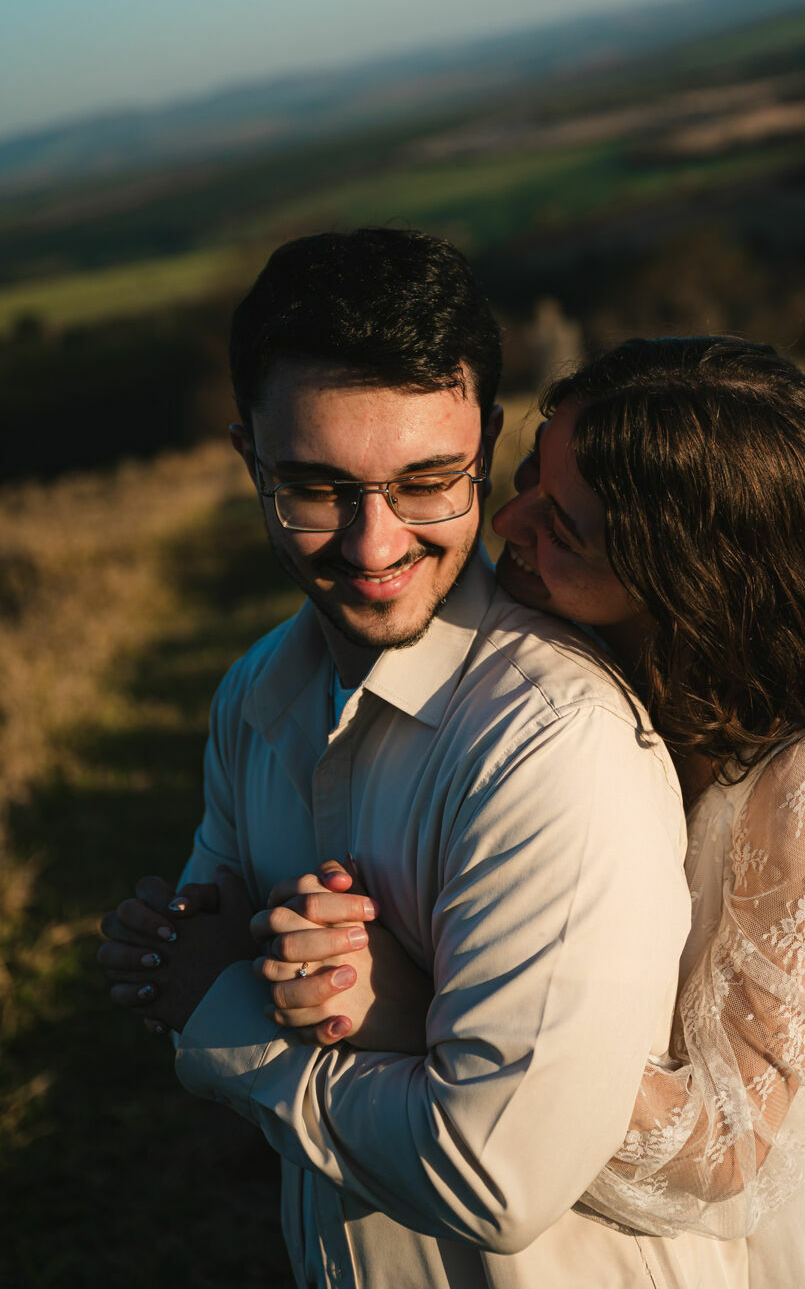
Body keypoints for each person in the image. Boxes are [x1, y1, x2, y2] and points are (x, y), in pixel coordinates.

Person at [256, 335, 805, 1288]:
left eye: (563, 527)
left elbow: (726, 1148)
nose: (511, 520)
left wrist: (437, 1013)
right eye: (530, 478)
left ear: (683, 572)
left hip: (802, 1249)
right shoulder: (565, 672)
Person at [97, 232, 748, 1289]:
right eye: (314, 489)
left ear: (488, 442)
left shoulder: (553, 743)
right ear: (248, 457)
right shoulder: (252, 696)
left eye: (428, 482)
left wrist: (224, 1014)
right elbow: (203, 935)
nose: (374, 545)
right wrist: (210, 966)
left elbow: (497, 1178)